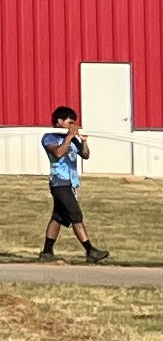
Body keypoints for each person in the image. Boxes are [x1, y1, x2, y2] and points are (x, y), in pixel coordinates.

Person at [40, 107, 110, 262]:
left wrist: (83, 142)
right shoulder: (49, 137)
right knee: (75, 215)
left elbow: (85, 155)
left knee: (58, 217)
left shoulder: (72, 138)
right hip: (59, 182)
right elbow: (58, 153)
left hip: (71, 183)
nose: (73, 126)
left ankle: (46, 251)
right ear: (59, 121)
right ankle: (90, 251)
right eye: (69, 122)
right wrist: (69, 137)